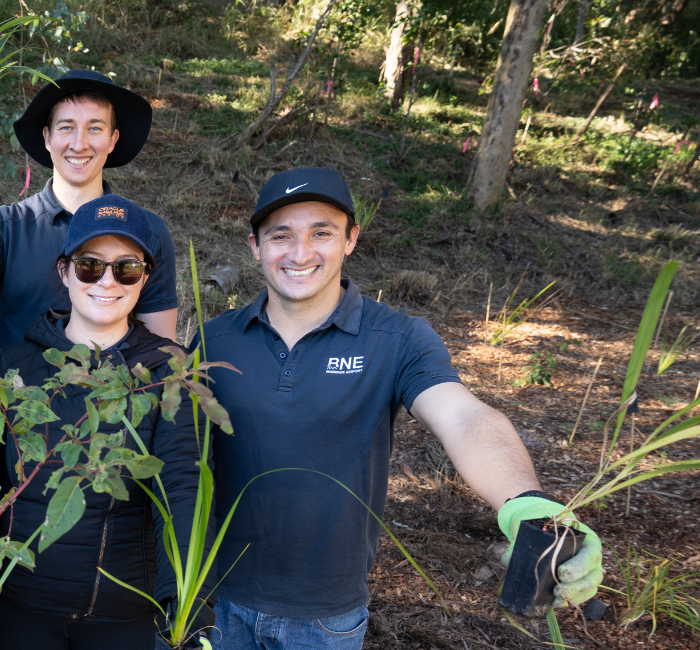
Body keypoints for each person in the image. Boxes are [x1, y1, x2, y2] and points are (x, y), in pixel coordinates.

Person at [197, 168, 604, 650]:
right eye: (280, 235)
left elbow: (462, 416)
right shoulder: (212, 339)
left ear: (351, 239)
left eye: (321, 233)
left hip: (325, 616)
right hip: (211, 598)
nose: (300, 253)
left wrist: (525, 502)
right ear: (255, 246)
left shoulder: (398, 338)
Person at [0, 195, 208, 650]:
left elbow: (183, 487)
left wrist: (185, 599)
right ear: (64, 272)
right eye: (90, 266)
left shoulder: (169, 373)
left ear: (144, 279)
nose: (107, 281)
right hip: (21, 611)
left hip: (123, 618)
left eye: (126, 268)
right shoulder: (12, 368)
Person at [0, 70, 179, 353]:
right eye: (66, 127)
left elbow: (162, 353)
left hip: (111, 393)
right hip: (17, 392)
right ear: (47, 137)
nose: (79, 143)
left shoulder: (147, 231)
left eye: (94, 128)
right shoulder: (8, 226)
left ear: (112, 139)